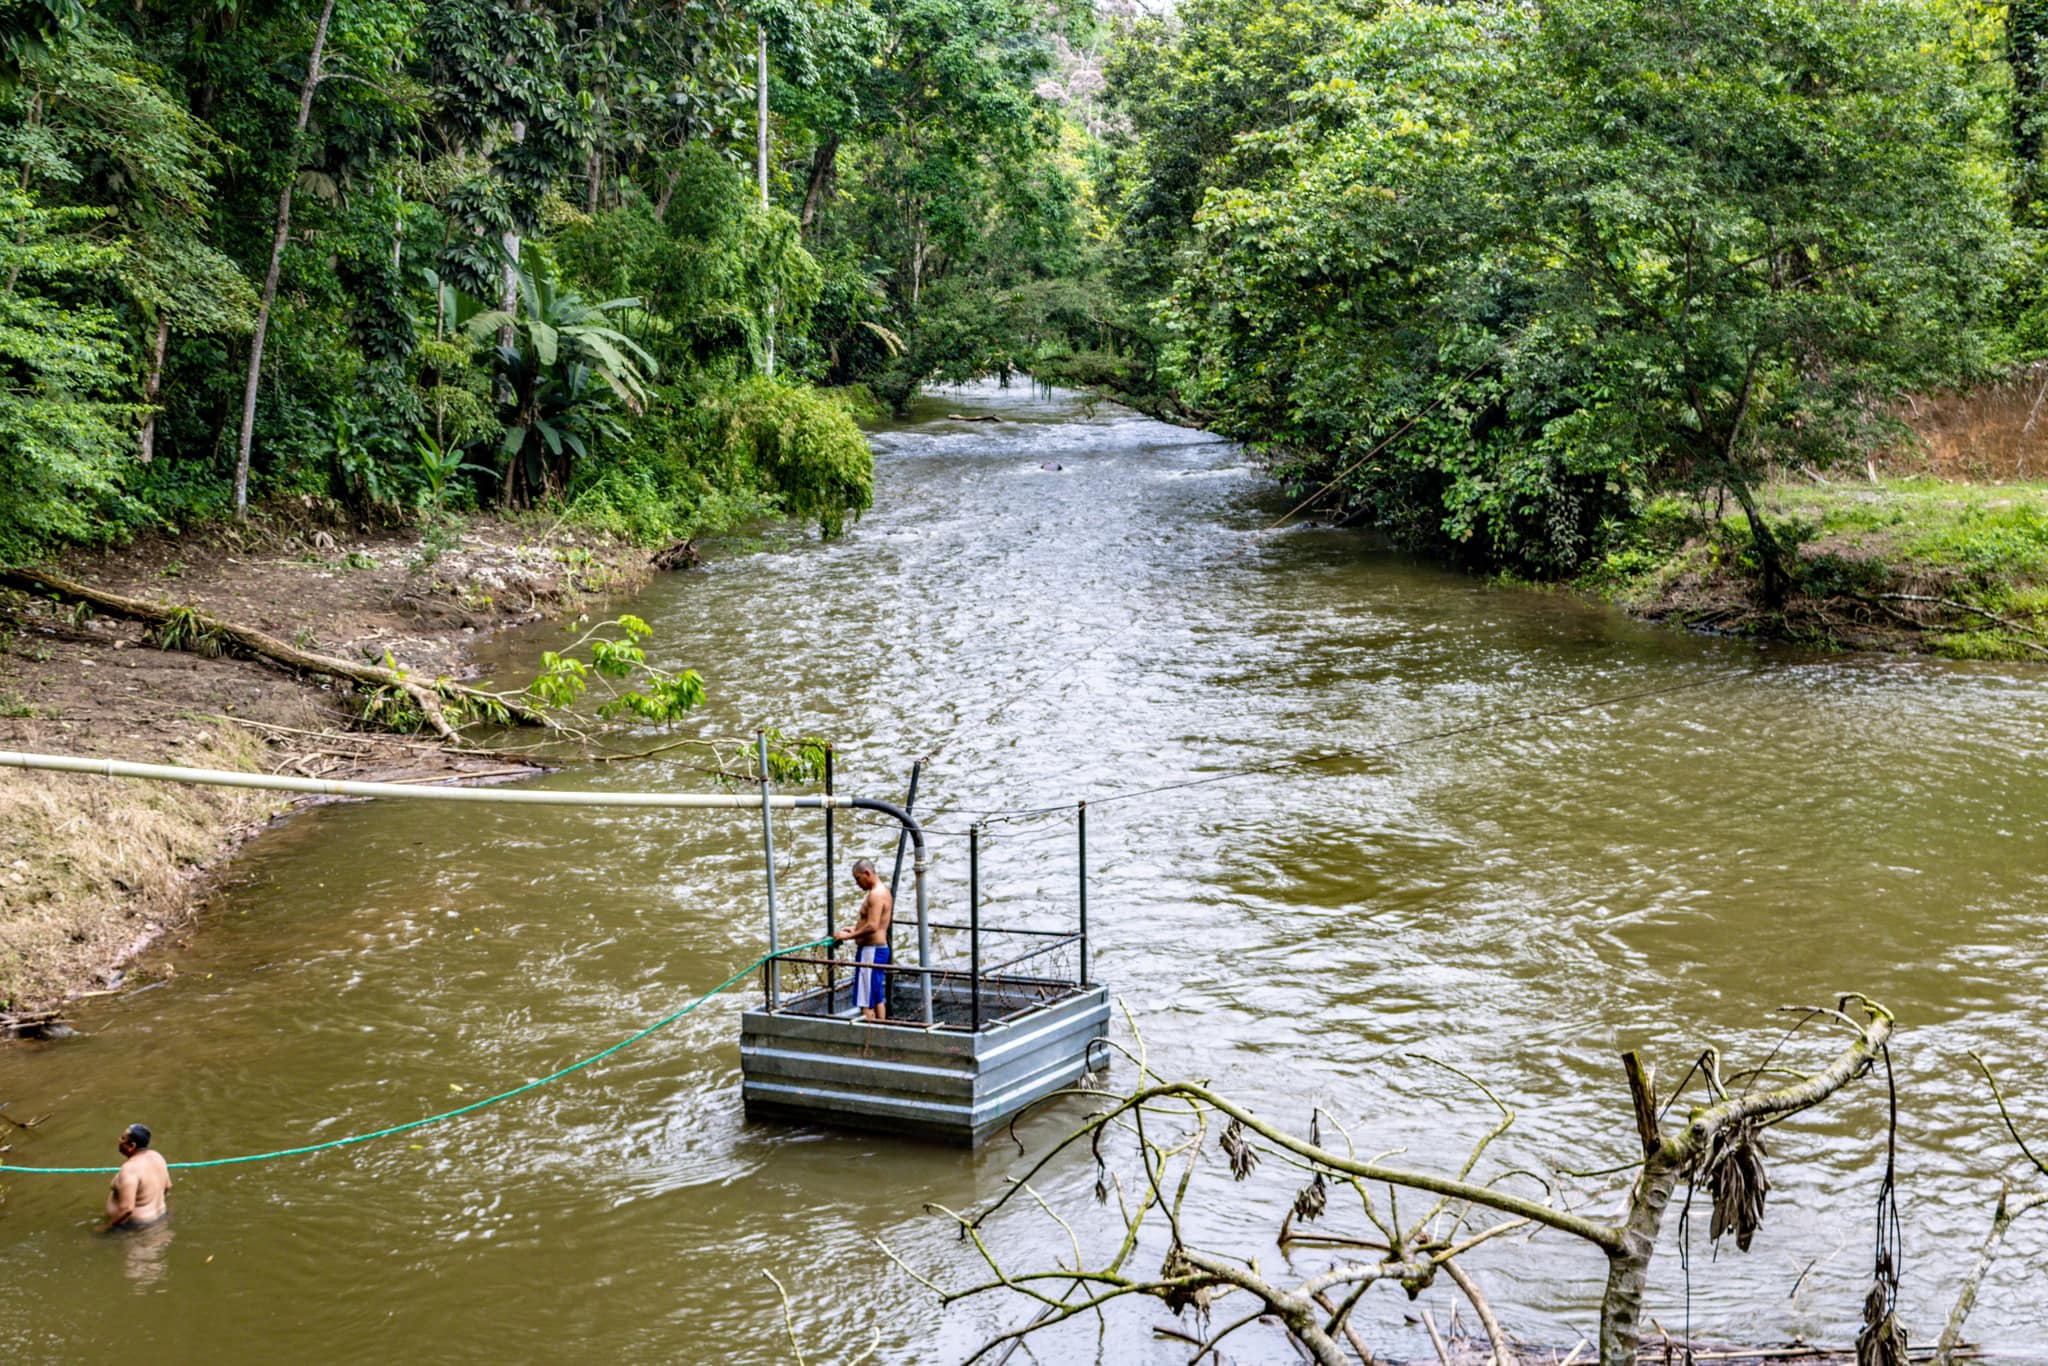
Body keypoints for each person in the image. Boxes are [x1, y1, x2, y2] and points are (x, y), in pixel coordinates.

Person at [835, 858, 894, 1023]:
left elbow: (873, 926)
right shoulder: (883, 891)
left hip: (871, 951)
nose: (857, 883)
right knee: (876, 996)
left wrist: (848, 936)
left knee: (865, 1002)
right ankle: (881, 1030)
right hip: (877, 949)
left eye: (858, 879)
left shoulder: (875, 895)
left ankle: (870, 1034)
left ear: (867, 873)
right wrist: (855, 930)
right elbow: (875, 924)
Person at [103, 1123, 170, 1232]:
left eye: (123, 1138)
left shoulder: (130, 1169)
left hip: (135, 1228)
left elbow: (127, 1209)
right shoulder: (157, 1156)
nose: (119, 1140)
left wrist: (106, 1228)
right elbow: (167, 1186)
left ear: (132, 1146)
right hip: (160, 1218)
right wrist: (150, 1203)